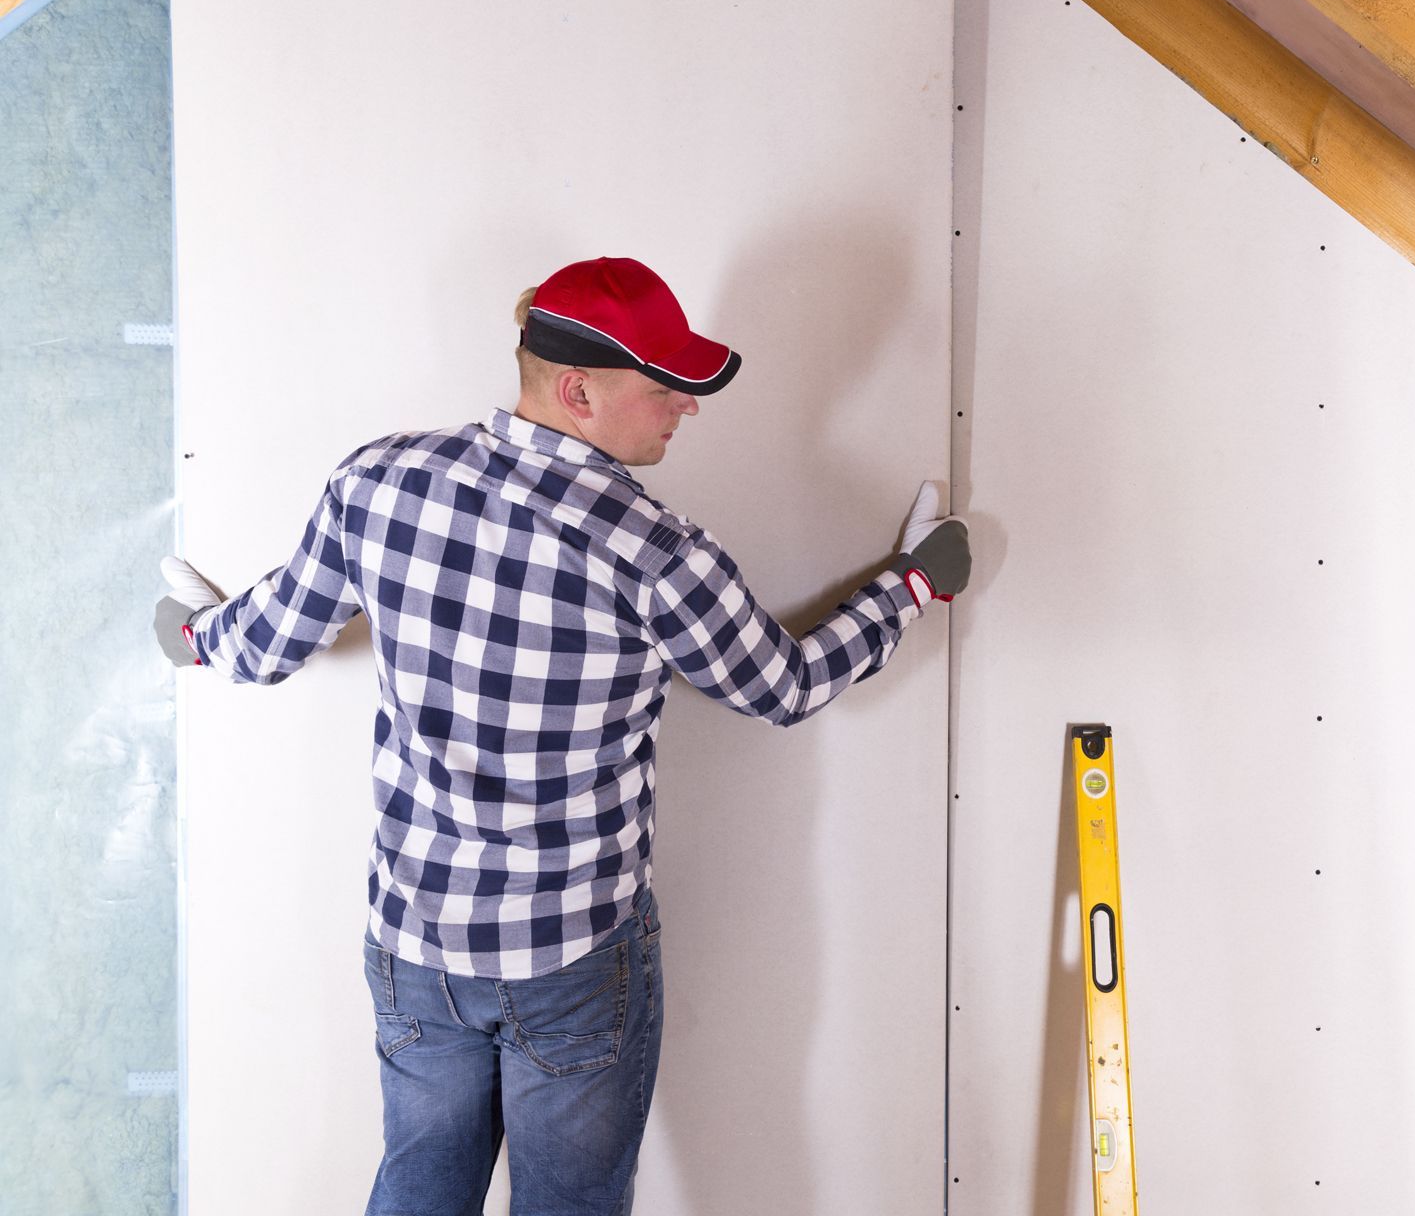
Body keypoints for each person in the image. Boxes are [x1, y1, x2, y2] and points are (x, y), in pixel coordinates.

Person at [151, 255, 971, 1216]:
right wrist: (915, 586)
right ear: (579, 390)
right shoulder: (657, 552)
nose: (687, 408)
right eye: (666, 386)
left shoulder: (376, 483)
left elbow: (273, 637)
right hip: (572, 961)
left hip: (418, 945)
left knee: (418, 1189)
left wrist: (198, 638)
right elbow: (782, 688)